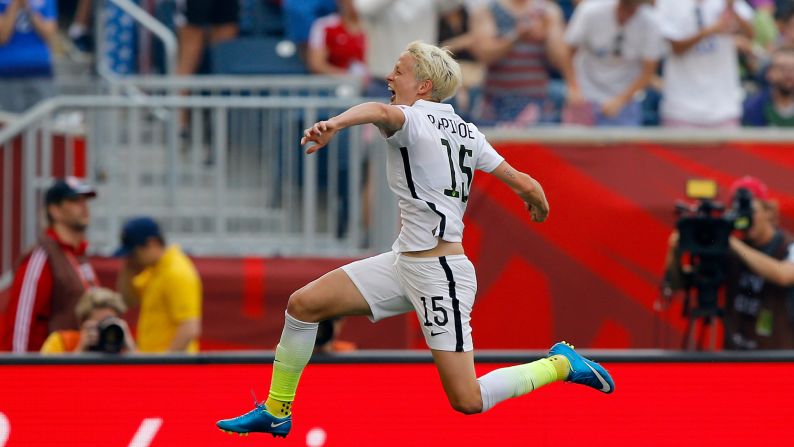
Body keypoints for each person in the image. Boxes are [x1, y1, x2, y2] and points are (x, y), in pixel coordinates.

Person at [216, 41, 614, 439]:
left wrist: (335, 123)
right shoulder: (467, 131)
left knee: (468, 399)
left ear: (423, 86)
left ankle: (560, 364)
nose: (389, 77)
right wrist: (534, 197)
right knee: (303, 305)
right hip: (405, 261)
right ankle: (277, 409)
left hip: (440, 274)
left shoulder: (413, 119)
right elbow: (523, 180)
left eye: (399, 71)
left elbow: (377, 111)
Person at [664, 176, 794, 349]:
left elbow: (783, 275)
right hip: (736, 356)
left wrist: (730, 241)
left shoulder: (787, 245)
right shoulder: (727, 248)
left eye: (749, 211)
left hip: (776, 359)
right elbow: (678, 284)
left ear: (768, 211)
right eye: (737, 212)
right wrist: (675, 253)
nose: (745, 219)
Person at [0, 178, 99, 352]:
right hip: (50, 368)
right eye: (75, 201)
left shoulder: (79, 256)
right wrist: (16, 368)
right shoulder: (42, 257)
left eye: (85, 201)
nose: (84, 207)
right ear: (55, 210)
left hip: (77, 365)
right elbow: (20, 322)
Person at [561, 0, 665, 126]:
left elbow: (648, 71)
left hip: (625, 104)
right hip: (584, 98)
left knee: (623, 145)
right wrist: (573, 86)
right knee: (576, 144)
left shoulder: (651, 22)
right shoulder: (590, 11)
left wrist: (620, 101)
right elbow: (567, 52)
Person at [656, 0, 754, 128]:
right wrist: (709, 31)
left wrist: (732, 8)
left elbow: (750, 35)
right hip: (680, 108)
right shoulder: (668, 3)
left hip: (724, 108)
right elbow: (676, 48)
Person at [468, 0, 567, 126]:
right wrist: (516, 36)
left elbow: (559, 60)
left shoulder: (548, 11)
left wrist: (551, 29)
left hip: (537, 106)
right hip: (495, 104)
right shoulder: (486, 10)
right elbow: (485, 54)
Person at [115, 217, 202, 353]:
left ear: (152, 243)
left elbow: (189, 328)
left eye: (134, 253)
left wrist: (165, 364)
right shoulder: (154, 270)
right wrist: (129, 268)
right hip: (153, 363)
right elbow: (128, 301)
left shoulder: (176, 272)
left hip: (170, 369)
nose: (132, 258)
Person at [0, 0, 58, 113]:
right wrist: (15, 5)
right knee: (12, 126)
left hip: (40, 70)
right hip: (8, 72)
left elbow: (49, 34)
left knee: (43, 124)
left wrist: (28, 7)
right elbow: (3, 36)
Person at [40, 287, 135, 354]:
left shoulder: (124, 342)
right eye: (99, 325)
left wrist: (130, 349)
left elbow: (145, 379)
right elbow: (47, 378)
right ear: (82, 324)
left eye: (109, 322)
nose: (104, 330)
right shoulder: (62, 342)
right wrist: (81, 350)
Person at [306, 0, 367, 77]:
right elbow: (316, 64)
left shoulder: (375, 27)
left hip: (375, 81)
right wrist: (348, 76)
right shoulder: (325, 26)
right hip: (338, 83)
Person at [744, 46, 794, 126]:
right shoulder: (753, 107)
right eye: (782, 68)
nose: (788, 74)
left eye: (792, 69)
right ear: (769, 73)